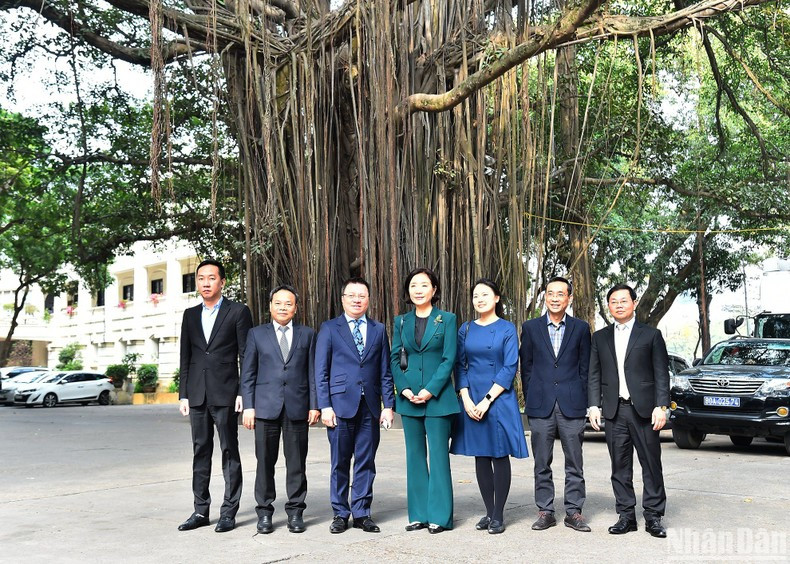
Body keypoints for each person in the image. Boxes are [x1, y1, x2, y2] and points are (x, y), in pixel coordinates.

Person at [588, 283, 670, 539]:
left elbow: (661, 374)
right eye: (614, 301)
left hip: (644, 410)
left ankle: (654, 516)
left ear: (633, 303)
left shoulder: (650, 335)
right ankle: (626, 515)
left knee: (651, 464)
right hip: (614, 411)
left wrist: (662, 406)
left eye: (624, 300)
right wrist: (593, 405)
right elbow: (594, 374)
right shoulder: (599, 337)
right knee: (619, 467)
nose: (619, 305)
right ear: (608, 306)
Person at [315, 277, 395, 534]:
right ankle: (340, 513)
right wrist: (324, 406)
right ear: (343, 299)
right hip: (339, 406)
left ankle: (361, 512)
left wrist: (388, 405)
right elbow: (321, 371)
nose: (357, 299)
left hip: (370, 405)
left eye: (362, 295)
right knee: (339, 461)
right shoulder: (329, 328)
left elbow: (385, 371)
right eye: (352, 295)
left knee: (366, 461)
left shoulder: (378, 329)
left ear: (369, 299)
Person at [177, 259, 253, 533]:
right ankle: (200, 511)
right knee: (200, 451)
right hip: (197, 394)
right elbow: (185, 356)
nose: (205, 283)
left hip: (226, 393)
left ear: (222, 282)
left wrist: (244, 392)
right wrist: (183, 394)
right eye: (201, 278)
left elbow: (246, 355)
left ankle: (228, 512)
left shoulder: (238, 312)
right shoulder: (189, 314)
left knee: (229, 451)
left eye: (211, 278)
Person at [240, 285, 320, 534]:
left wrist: (314, 405)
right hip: (264, 408)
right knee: (265, 462)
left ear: (296, 307)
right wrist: (249, 406)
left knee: (296, 463)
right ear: (270, 305)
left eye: (288, 303)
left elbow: (313, 372)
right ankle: (264, 513)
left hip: (297, 407)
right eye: (278, 303)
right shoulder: (256, 334)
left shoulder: (307, 334)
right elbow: (248, 373)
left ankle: (295, 512)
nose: (283, 307)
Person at [450, 278, 527, 535]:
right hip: (471, 397)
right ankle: (488, 510)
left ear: (496, 299)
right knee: (481, 455)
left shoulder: (506, 329)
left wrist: (487, 399)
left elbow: (509, 367)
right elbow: (459, 365)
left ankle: (498, 514)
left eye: (485, 294)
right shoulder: (466, 329)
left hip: (498, 398)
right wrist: (467, 398)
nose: (479, 299)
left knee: (498, 453)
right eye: (475, 295)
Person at [519, 276, 592, 533]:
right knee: (542, 461)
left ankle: (573, 511)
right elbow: (526, 367)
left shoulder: (581, 328)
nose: (555, 298)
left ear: (569, 298)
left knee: (574, 461)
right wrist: (532, 397)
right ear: (545, 297)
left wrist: (583, 399)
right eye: (550, 293)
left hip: (572, 405)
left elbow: (586, 368)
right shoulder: (530, 328)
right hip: (541, 405)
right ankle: (545, 510)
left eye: (560, 294)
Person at [391, 268, 458, 534]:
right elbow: (395, 358)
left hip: (438, 399)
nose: (418, 289)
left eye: (424, 285)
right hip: (409, 399)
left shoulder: (447, 319)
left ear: (434, 289)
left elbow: (448, 358)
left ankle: (440, 516)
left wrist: (430, 390)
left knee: (439, 456)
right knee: (414, 456)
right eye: (413, 285)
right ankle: (418, 514)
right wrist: (404, 389)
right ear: (408, 291)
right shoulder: (402, 322)